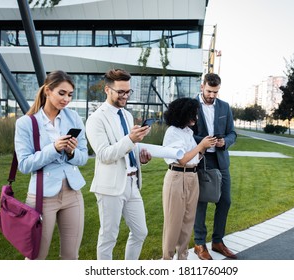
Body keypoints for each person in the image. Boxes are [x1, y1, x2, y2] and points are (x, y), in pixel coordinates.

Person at [15, 70, 88, 259]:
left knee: (71, 256)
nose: (66, 99)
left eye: (70, 95)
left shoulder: (74, 118)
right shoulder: (26, 123)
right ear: (48, 91)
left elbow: (84, 157)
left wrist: (71, 152)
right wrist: (54, 148)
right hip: (42, 196)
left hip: (73, 193)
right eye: (61, 93)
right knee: (37, 256)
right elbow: (24, 164)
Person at [86, 68, 152, 260]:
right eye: (120, 92)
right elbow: (105, 154)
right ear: (107, 90)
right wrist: (131, 139)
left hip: (132, 184)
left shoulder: (127, 115)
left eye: (128, 91)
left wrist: (140, 158)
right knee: (108, 237)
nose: (125, 96)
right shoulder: (96, 119)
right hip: (110, 187)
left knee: (140, 232)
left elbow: (127, 149)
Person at [162, 97, 217, 260]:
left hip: (192, 176)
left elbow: (194, 159)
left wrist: (204, 148)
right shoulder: (172, 132)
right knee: (173, 223)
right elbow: (183, 159)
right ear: (184, 114)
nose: (196, 117)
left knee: (187, 222)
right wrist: (201, 146)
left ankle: (182, 258)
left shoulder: (188, 132)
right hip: (177, 177)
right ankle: (167, 259)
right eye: (193, 114)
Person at [192, 73, 237, 260]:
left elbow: (233, 133)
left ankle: (218, 241)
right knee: (201, 203)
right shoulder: (191, 106)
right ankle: (199, 244)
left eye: (215, 92)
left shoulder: (225, 107)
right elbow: (184, 134)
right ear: (202, 86)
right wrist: (202, 142)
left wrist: (223, 142)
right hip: (201, 160)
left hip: (221, 160)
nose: (212, 95)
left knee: (225, 200)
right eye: (209, 91)